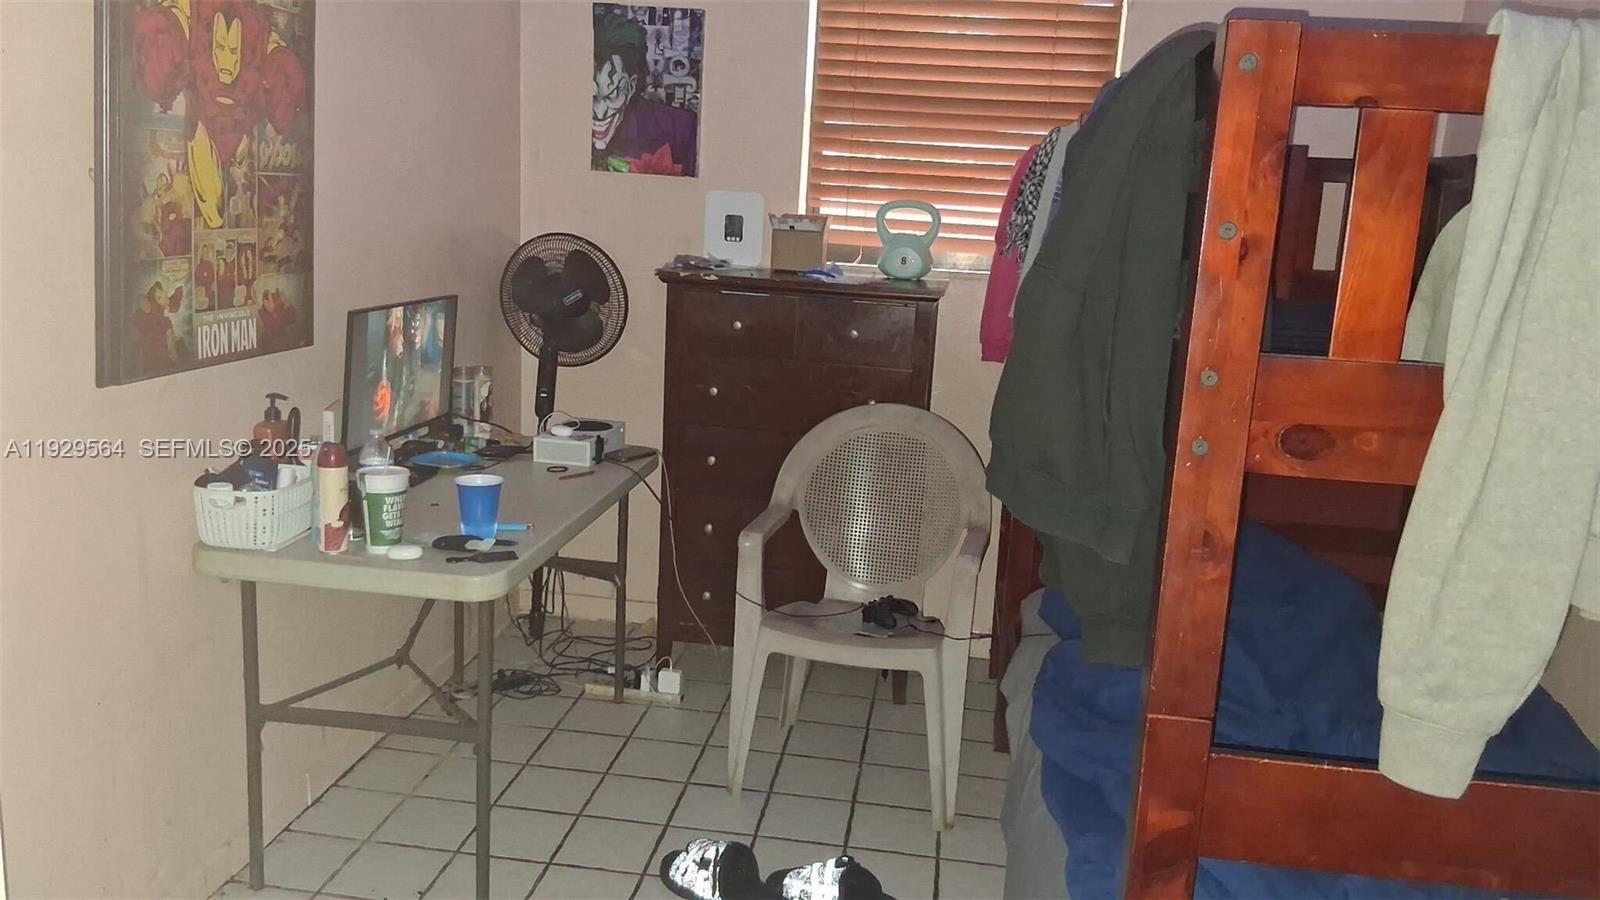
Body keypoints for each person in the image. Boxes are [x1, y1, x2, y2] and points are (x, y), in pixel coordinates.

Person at [591, 12, 697, 176]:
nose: (599, 112)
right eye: (591, 97)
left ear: (632, 85)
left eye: (612, 94)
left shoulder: (679, 130)